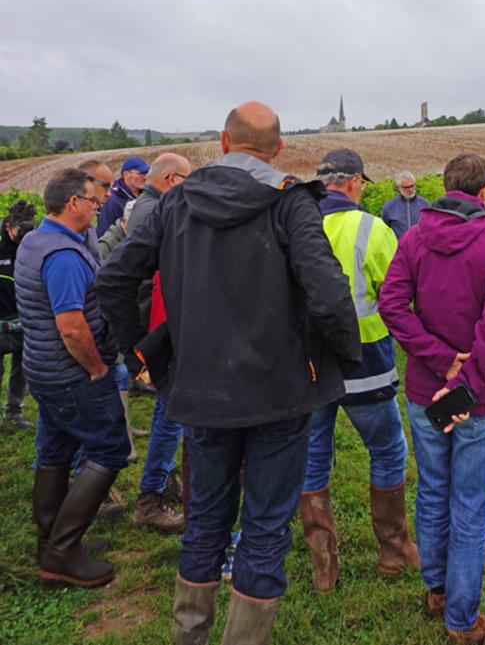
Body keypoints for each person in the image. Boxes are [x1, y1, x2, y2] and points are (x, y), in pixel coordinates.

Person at [96, 101, 361, 645]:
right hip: (279, 394)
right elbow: (331, 296)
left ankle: (189, 636)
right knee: (264, 531)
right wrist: (344, 357)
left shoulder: (176, 203)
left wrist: (141, 357)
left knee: (205, 527)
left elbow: (113, 280)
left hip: (200, 391)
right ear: (279, 148)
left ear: (222, 141)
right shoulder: (292, 202)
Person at [380, 152, 485, 645]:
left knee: (435, 491)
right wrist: (464, 373)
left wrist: (438, 362)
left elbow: (391, 304)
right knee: (469, 505)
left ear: (445, 187)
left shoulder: (415, 238)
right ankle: (462, 620)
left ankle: (438, 590)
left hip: (425, 392)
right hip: (480, 397)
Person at [300, 147, 419, 594]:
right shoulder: (372, 228)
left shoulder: (295, 225)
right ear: (353, 183)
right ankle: (394, 550)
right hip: (364, 362)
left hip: (307, 366)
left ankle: (323, 566)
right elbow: (395, 293)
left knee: (313, 458)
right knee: (387, 450)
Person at [14, 169, 130, 587]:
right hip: (71, 374)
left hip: (42, 370)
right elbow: (71, 327)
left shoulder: (34, 240)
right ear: (73, 203)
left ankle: (52, 544)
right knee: (110, 447)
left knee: (55, 452)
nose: (98, 206)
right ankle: (63, 551)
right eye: (92, 200)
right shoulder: (63, 257)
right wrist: (97, 368)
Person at [122, 152, 191, 535]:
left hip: (159, 327)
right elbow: (141, 282)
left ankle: (164, 482)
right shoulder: (155, 213)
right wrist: (143, 347)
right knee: (170, 415)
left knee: (172, 415)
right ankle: (151, 497)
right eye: (187, 180)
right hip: (162, 327)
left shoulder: (150, 207)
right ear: (170, 178)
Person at [0, 199, 37, 429]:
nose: (21, 238)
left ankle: (14, 411)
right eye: (19, 232)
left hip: (22, 314)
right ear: (9, 225)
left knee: (21, 366)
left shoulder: (29, 244)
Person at [95, 155, 149, 238]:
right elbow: (102, 235)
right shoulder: (113, 201)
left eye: (146, 173)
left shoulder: (146, 196)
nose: (145, 177)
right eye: (141, 174)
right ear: (126, 174)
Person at [381, 172, 430, 239]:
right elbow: (385, 231)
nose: (410, 189)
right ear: (398, 187)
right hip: (398, 247)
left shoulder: (425, 204)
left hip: (419, 248)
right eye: (406, 187)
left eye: (412, 185)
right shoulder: (389, 207)